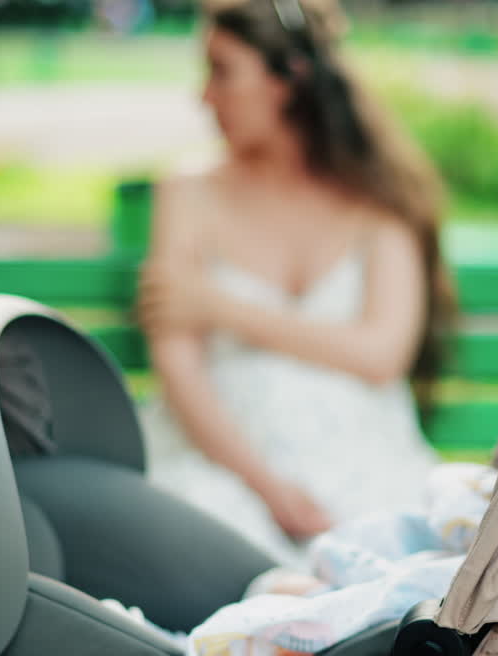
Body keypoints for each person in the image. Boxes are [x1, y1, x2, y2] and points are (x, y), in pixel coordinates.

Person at [136, 0, 453, 564]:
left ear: (288, 80)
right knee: (216, 535)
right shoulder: (186, 192)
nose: (204, 96)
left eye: (222, 71)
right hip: (222, 468)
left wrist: (217, 307)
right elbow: (179, 367)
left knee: (386, 555)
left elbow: (381, 354)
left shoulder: (380, 200)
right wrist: (269, 489)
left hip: (364, 465)